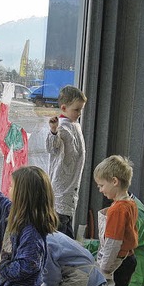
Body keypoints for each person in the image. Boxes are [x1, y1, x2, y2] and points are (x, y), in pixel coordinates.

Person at [87, 155, 138, 286]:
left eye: (101, 185)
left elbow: (112, 243)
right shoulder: (130, 203)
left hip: (118, 261)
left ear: (114, 181)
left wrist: (104, 267)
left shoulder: (117, 210)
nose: (100, 189)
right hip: (128, 258)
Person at [46, 85, 88, 238]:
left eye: (80, 109)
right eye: (76, 110)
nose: (79, 113)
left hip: (70, 190)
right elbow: (53, 147)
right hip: (61, 192)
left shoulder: (74, 125)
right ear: (63, 107)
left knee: (65, 227)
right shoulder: (63, 128)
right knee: (61, 233)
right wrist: (53, 131)